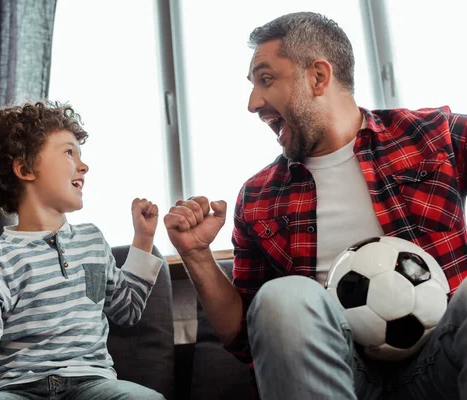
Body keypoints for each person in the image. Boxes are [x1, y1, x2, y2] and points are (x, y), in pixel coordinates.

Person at [164, 11, 467, 400]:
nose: (253, 102)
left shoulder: (432, 135)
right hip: (340, 375)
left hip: (444, 363)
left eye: (266, 79)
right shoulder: (258, 198)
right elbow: (243, 337)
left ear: (318, 77)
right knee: (282, 297)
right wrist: (197, 255)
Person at [0, 101, 165, 400]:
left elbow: (126, 310)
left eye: (80, 154)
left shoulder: (90, 244)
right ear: (25, 169)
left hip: (92, 385)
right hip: (15, 390)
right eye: (68, 152)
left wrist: (143, 238)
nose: (83, 165)